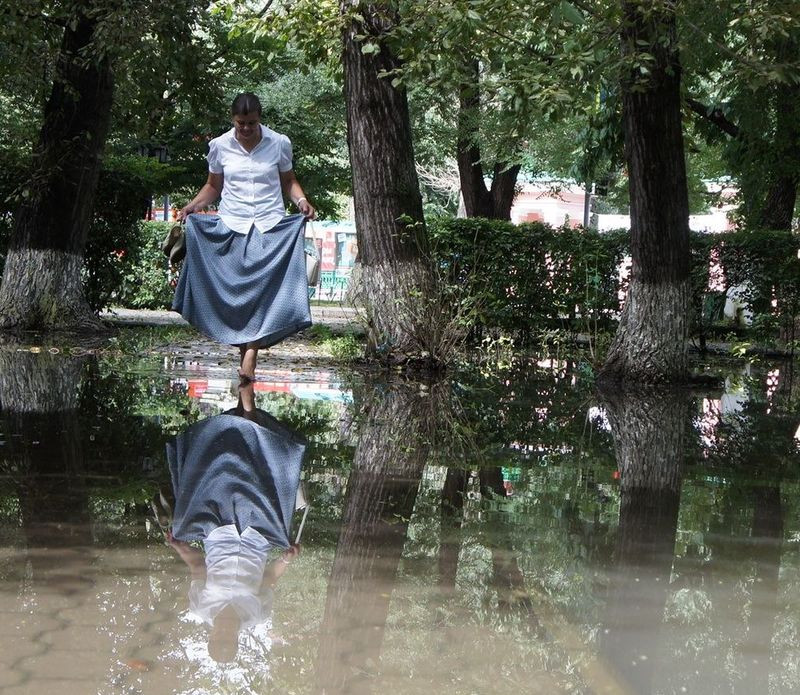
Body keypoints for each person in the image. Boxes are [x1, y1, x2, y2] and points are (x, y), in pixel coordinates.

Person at [174, 92, 316, 384]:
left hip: (270, 226)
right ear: (233, 119)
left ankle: (250, 355)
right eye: (241, 123)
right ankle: (245, 357)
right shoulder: (219, 146)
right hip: (232, 225)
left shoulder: (279, 143)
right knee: (238, 297)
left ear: (259, 118)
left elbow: (289, 181)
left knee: (262, 294)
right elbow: (213, 187)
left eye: (251, 123)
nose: (246, 128)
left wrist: (302, 201)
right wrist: (192, 206)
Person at [162, 381, 308, 662]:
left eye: (219, 637)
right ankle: (248, 403)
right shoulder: (257, 615)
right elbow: (269, 579)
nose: (224, 632)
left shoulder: (201, 607)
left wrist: (178, 545)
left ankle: (244, 404)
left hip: (218, 527)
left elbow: (197, 566)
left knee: (227, 462)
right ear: (236, 640)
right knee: (257, 469)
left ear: (212, 637)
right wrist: (286, 559)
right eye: (228, 639)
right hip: (259, 531)